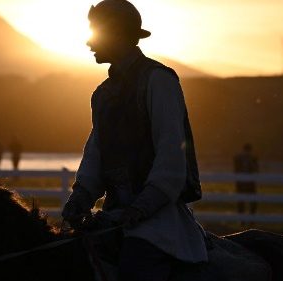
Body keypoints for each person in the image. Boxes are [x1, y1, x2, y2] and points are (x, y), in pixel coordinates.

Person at [61, 1, 208, 280]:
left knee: (136, 266)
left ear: (116, 34)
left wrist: (142, 206)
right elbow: (96, 154)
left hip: (158, 221)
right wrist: (81, 196)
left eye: (95, 32)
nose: (89, 42)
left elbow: (171, 158)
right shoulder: (102, 94)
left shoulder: (159, 81)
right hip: (116, 216)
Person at [233, 143, 259, 217]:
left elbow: (236, 169)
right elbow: (256, 169)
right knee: (245, 201)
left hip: (244, 182)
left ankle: (246, 219)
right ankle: (246, 219)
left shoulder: (251, 158)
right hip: (246, 182)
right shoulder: (251, 158)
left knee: (245, 201)